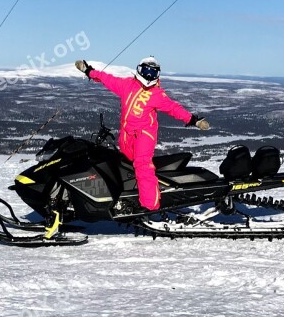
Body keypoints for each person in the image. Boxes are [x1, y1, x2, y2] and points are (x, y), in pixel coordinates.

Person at [74, 57, 210, 211]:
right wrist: (88, 70)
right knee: (123, 162)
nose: (149, 76)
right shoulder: (126, 85)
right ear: (139, 70)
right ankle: (129, 192)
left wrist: (194, 120)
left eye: (153, 73)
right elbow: (107, 79)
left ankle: (149, 204)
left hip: (144, 134)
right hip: (126, 134)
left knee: (142, 163)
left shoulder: (156, 94)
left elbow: (173, 108)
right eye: (146, 71)